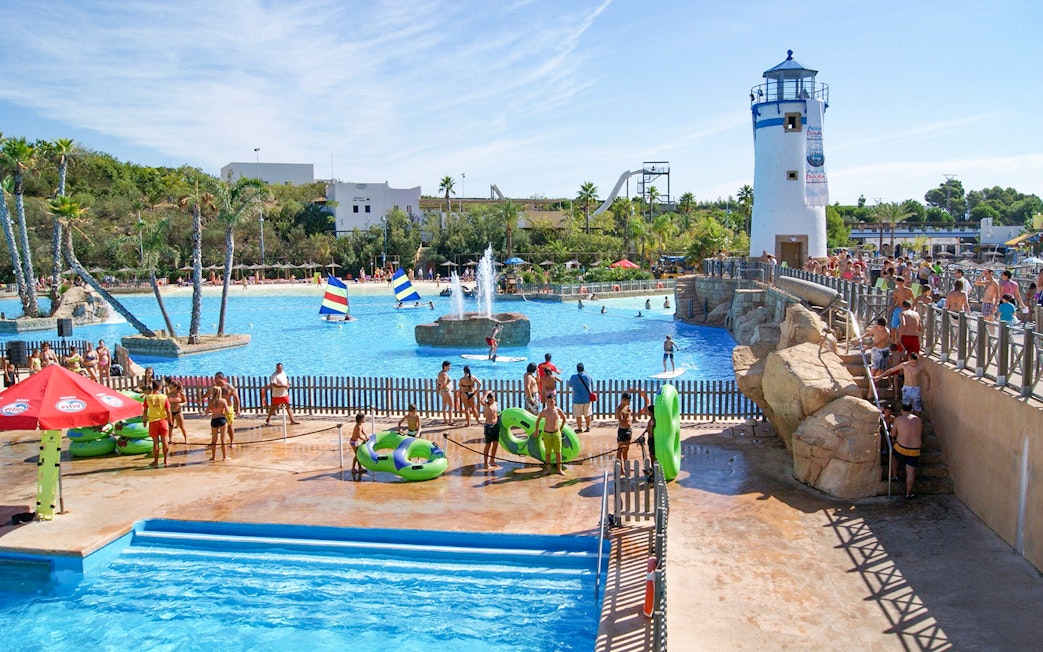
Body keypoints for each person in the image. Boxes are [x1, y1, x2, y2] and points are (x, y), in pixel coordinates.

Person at [891, 402, 923, 499]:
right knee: (911, 472)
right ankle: (908, 494)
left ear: (901, 410)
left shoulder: (898, 419)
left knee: (894, 456)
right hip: (915, 450)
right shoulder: (918, 420)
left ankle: (894, 475)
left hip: (901, 448)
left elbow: (892, 434)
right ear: (911, 410)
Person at [142, 379, 173, 467]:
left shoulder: (147, 397)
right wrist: (170, 421)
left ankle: (155, 461)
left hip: (153, 421)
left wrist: (144, 421)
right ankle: (166, 460)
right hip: (163, 421)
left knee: (155, 442)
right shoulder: (164, 397)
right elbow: (168, 410)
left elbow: (145, 411)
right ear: (159, 387)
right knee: (164, 441)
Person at [534, 394, 567, 475]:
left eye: (552, 401)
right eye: (549, 401)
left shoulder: (558, 410)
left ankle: (559, 469)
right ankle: (548, 469)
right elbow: (538, 420)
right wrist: (536, 430)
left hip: (556, 433)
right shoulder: (544, 411)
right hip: (547, 434)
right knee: (548, 452)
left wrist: (561, 428)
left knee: (558, 452)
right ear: (546, 402)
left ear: (554, 401)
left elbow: (564, 418)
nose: (550, 403)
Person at [567, 363, 594, 433]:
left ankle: (579, 428)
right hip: (587, 399)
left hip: (577, 399)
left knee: (578, 415)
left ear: (577, 369)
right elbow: (591, 384)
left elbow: (569, 384)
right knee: (587, 414)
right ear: (583, 368)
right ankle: (588, 427)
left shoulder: (573, 377)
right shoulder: (588, 376)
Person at [208, 384, 230, 461]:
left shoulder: (210, 401)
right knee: (223, 439)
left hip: (214, 419)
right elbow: (228, 411)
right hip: (222, 419)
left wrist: (211, 410)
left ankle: (213, 457)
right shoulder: (223, 401)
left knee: (214, 439)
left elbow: (207, 412)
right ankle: (224, 457)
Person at [889, 276, 914, 342]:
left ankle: (904, 342)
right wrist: (891, 306)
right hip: (899, 309)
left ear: (903, 283)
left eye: (900, 283)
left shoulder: (908, 290)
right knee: (893, 327)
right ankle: (893, 344)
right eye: (897, 284)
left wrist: (913, 308)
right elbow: (895, 301)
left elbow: (914, 299)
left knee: (905, 327)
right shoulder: (895, 292)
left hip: (907, 310)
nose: (899, 285)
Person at [481, 391, 501, 470]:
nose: (490, 401)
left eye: (492, 399)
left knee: (495, 444)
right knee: (488, 445)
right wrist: (486, 393)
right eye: (489, 399)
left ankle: (492, 460)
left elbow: (497, 414)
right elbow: (481, 401)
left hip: (496, 425)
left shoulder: (496, 404)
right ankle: (485, 463)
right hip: (488, 426)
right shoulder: (486, 405)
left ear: (494, 398)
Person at [167, 379, 189, 443]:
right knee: (170, 426)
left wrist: (181, 404)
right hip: (171, 411)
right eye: (169, 387)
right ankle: (170, 439)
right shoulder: (169, 394)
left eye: (171, 387)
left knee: (182, 426)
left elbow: (185, 401)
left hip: (178, 411)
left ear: (175, 387)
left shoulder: (181, 394)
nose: (170, 388)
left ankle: (186, 439)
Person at [615, 392, 634, 462]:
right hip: (622, 431)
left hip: (628, 430)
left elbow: (629, 418)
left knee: (626, 449)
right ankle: (620, 468)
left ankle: (626, 466)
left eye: (629, 401)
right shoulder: (619, 409)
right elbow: (621, 421)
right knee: (620, 449)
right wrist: (626, 414)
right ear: (623, 400)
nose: (629, 402)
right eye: (628, 401)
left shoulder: (627, 407)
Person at [437, 360, 455, 426]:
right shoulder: (444, 374)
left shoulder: (440, 373)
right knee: (451, 405)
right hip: (446, 390)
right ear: (445, 366)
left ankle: (445, 420)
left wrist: (439, 388)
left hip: (442, 391)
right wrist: (447, 382)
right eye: (449, 366)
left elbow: (438, 382)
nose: (449, 368)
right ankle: (450, 421)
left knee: (444, 405)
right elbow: (444, 384)